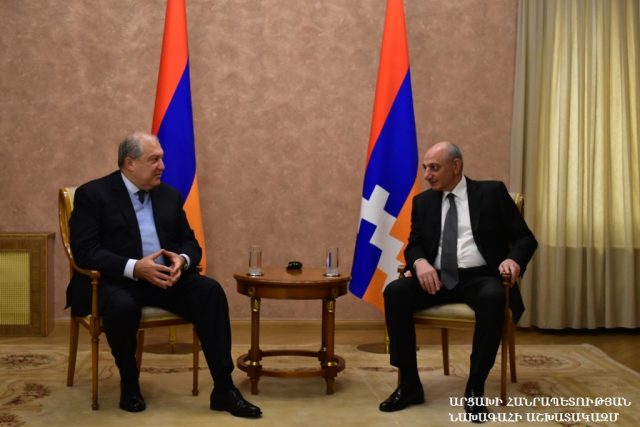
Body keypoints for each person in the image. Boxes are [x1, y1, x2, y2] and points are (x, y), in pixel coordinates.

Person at [66, 131, 261, 418]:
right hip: (115, 280)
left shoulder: (169, 195)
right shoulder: (93, 195)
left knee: (210, 292)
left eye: (162, 159)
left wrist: (182, 260)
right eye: (154, 159)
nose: (162, 166)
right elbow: (85, 251)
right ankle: (129, 383)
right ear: (130, 163)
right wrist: (135, 267)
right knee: (123, 307)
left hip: (164, 279)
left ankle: (223, 388)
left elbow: (190, 243)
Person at [379, 141, 537, 422]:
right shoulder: (423, 202)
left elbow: (525, 238)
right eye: (425, 168)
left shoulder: (491, 193)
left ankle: (475, 387)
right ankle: (410, 384)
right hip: (436, 278)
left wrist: (513, 260)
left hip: (481, 277)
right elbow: (414, 245)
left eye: (434, 167)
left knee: (493, 297)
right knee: (395, 292)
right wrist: (420, 262)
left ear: (456, 166)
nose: (427, 175)